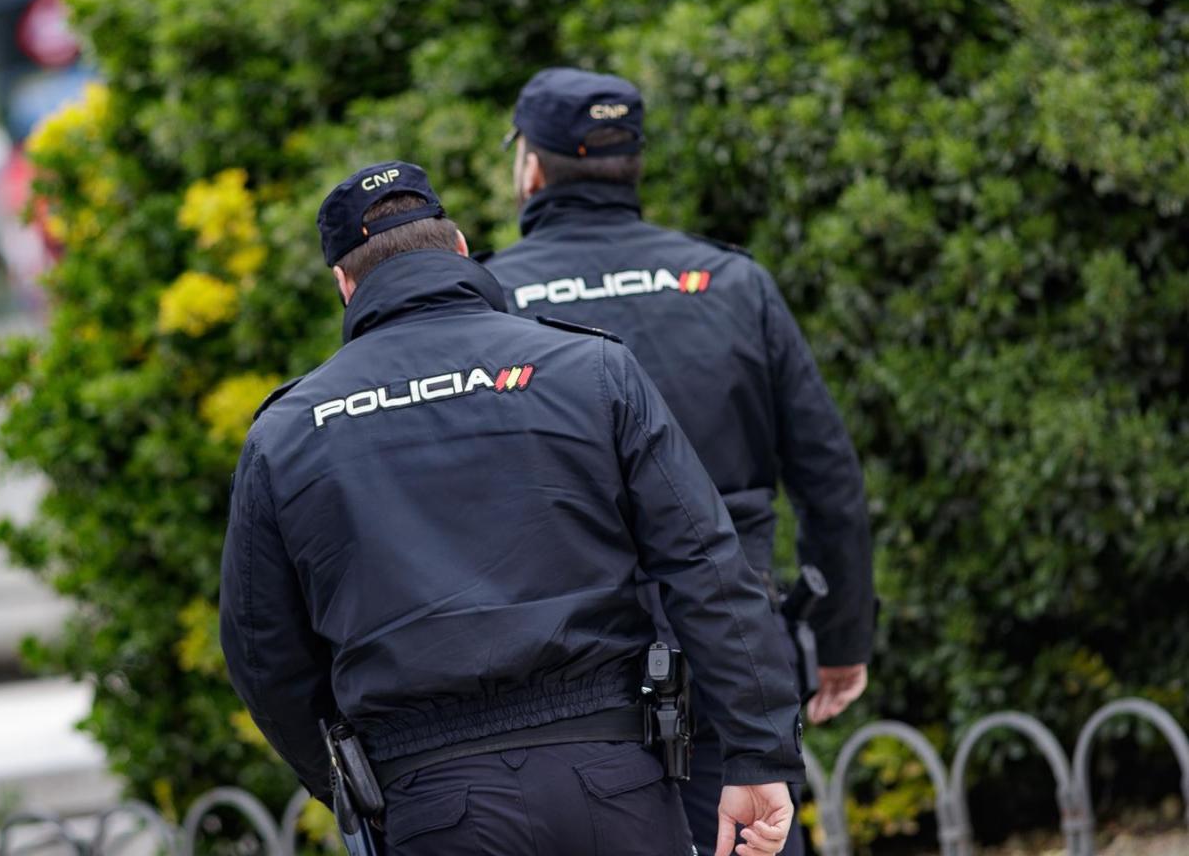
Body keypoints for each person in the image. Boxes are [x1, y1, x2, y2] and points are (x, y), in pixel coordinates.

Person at [220, 160, 804, 856]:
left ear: (344, 284)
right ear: (462, 248)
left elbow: (262, 653)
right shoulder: (591, 370)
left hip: (432, 800)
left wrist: (346, 785)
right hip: (613, 780)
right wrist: (757, 753)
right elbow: (706, 566)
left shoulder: (286, 432)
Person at [484, 67, 877, 856]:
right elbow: (829, 481)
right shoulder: (734, 283)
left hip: (566, 680)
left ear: (531, 167)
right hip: (730, 658)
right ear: (632, 161)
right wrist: (842, 639)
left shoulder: (488, 306)